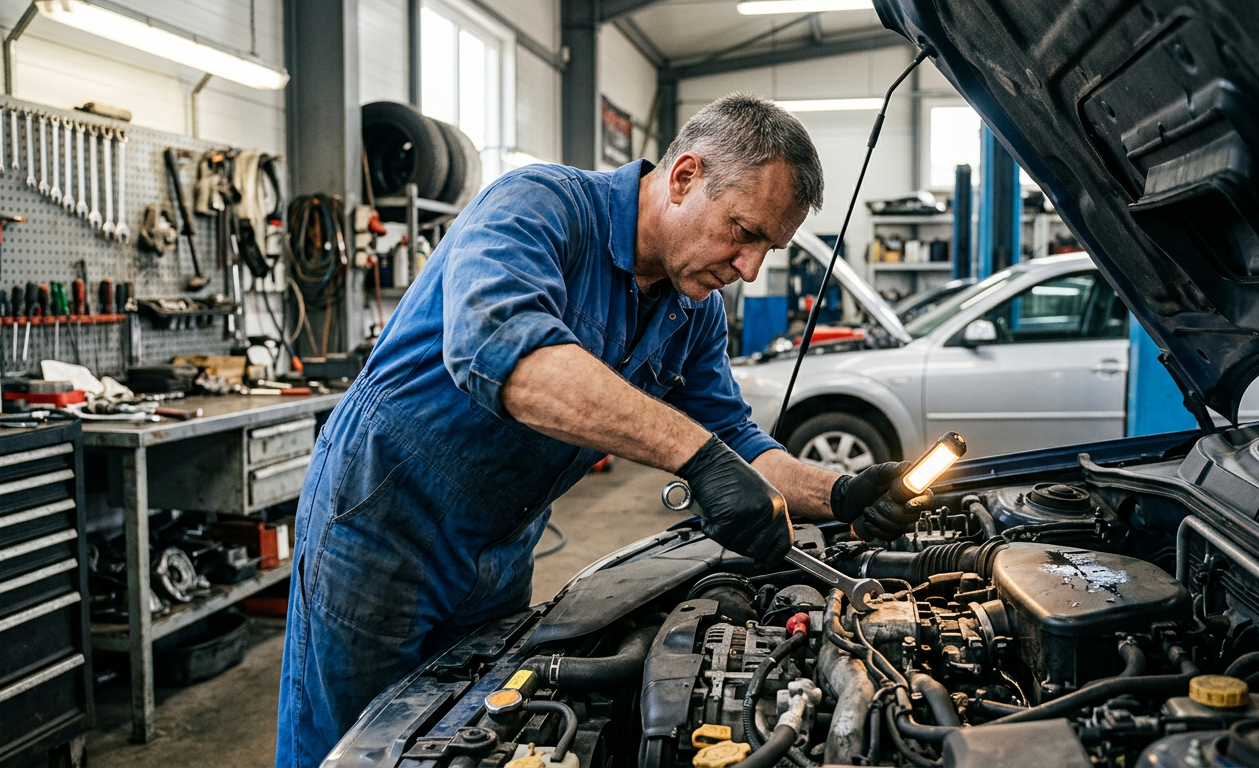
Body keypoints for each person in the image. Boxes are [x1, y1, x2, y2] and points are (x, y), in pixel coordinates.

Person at [276, 93, 921, 767]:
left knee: (465, 738)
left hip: (499, 545)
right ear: (684, 178)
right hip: (382, 525)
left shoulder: (688, 311)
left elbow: (733, 439)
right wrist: (696, 459)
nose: (750, 268)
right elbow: (504, 356)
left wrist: (842, 491)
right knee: (353, 745)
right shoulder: (539, 206)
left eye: (769, 247)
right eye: (744, 231)